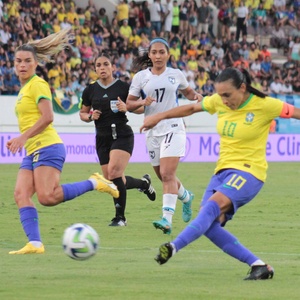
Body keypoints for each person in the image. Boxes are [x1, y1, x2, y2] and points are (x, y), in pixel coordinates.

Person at [140, 67, 300, 280]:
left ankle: (173, 246)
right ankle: (259, 266)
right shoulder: (218, 101)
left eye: (227, 95)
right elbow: (190, 109)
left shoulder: (265, 105)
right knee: (209, 225)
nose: (223, 100)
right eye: (220, 95)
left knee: (210, 210)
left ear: (242, 88)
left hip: (249, 172)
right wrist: (159, 116)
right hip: (221, 172)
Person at [6, 29, 119, 255]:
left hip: (47, 147)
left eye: (27, 61)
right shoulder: (25, 88)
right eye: (18, 61)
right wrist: (24, 140)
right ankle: (35, 244)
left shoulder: (37, 84)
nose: (22, 65)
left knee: (48, 197)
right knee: (20, 194)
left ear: (36, 63)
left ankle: (95, 183)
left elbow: (48, 117)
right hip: (32, 150)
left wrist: (23, 137)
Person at [126, 37, 202, 234]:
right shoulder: (141, 77)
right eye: (154, 52)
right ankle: (186, 197)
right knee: (163, 176)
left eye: (162, 52)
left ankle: (166, 219)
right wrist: (143, 102)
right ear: (149, 55)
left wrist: (197, 97)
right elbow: (129, 104)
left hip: (174, 127)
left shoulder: (176, 74)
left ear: (168, 54)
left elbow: (189, 93)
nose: (158, 56)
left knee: (168, 174)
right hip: (152, 131)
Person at [79, 52, 156, 227]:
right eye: (98, 65)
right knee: (112, 179)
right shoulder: (90, 90)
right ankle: (143, 184)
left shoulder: (123, 87)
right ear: (95, 69)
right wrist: (91, 116)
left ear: (113, 67)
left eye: (106, 64)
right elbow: (82, 113)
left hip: (121, 134)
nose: (102, 68)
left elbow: (139, 108)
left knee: (114, 174)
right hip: (102, 138)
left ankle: (120, 218)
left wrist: (127, 107)